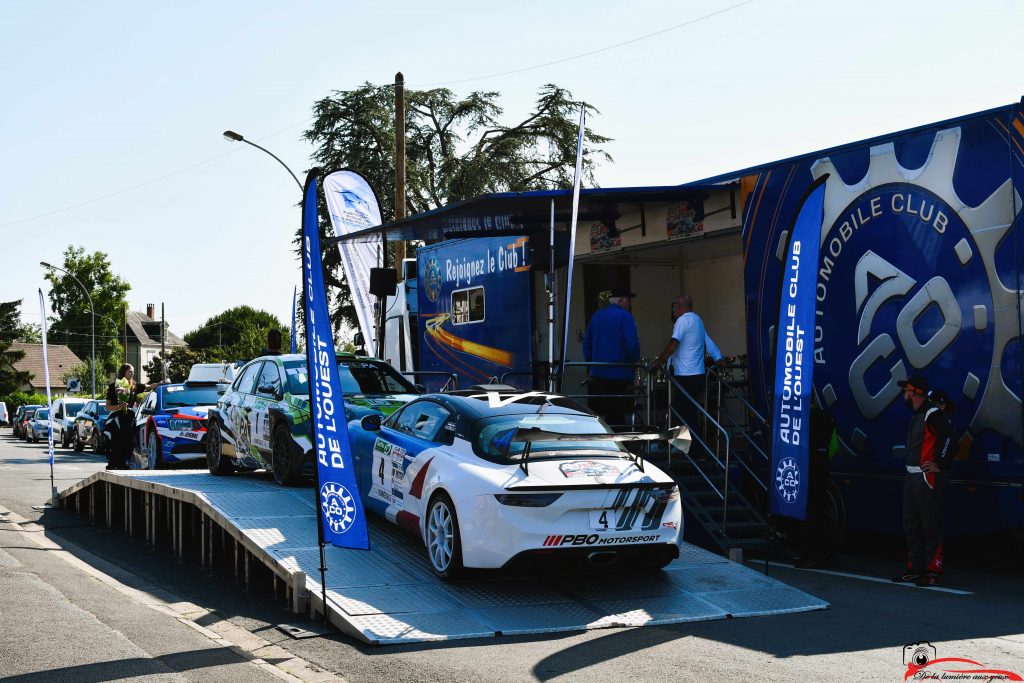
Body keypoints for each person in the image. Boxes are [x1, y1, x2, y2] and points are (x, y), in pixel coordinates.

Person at [892, 375, 955, 587]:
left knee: (930, 525)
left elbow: (948, 437)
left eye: (906, 389)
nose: (904, 393)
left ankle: (933, 569)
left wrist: (940, 463)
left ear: (915, 391)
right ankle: (915, 568)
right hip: (912, 477)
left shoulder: (932, 413)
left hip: (926, 479)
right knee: (911, 524)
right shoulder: (918, 415)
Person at [654, 295, 724, 437]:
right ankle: (680, 446)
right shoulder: (697, 320)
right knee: (684, 412)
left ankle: (695, 450)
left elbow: (673, 345)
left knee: (684, 413)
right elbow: (708, 342)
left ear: (680, 306)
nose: (674, 311)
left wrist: (659, 361)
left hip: (685, 376)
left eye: (675, 307)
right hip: (698, 375)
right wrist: (719, 359)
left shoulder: (682, 320)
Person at [581, 287, 641, 430]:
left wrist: (591, 365)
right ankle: (617, 442)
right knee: (618, 410)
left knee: (604, 409)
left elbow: (587, 343)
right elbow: (632, 344)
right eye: (628, 300)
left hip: (598, 373)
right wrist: (635, 362)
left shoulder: (597, 315)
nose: (629, 304)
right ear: (621, 300)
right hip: (620, 372)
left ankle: (605, 435)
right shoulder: (625, 316)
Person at [104, 364, 159, 470]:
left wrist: (159, 384)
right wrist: (119, 406)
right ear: (123, 372)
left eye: (133, 371)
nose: (132, 373)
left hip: (129, 418)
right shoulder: (114, 386)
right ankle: (113, 463)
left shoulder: (133, 385)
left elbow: (148, 386)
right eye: (130, 371)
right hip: (116, 418)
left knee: (130, 441)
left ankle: (125, 463)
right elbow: (107, 406)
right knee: (117, 442)